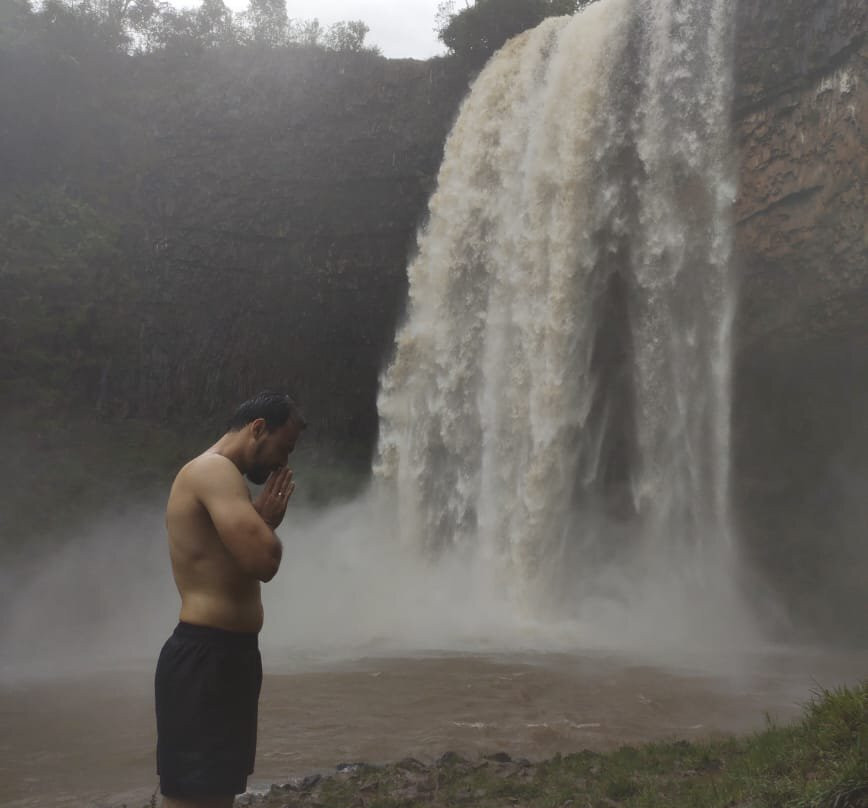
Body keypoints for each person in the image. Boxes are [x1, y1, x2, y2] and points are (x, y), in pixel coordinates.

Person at [154, 391, 306, 808]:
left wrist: (258, 522)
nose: (284, 463)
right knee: (193, 798)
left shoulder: (224, 481)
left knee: (215, 795)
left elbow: (232, 564)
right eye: (284, 448)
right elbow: (264, 560)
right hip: (205, 657)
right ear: (258, 428)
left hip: (227, 655)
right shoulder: (213, 471)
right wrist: (268, 524)